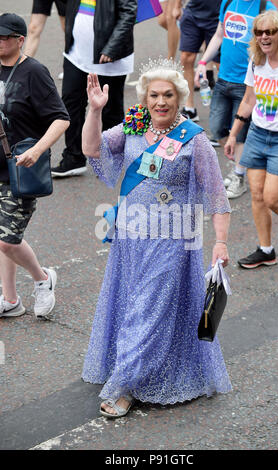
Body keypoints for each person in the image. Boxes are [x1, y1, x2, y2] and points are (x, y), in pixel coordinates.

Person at [81, 57, 232, 418]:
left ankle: (125, 386)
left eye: (168, 95)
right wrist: (95, 111)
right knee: (134, 305)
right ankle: (147, 368)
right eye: (154, 95)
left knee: (149, 308)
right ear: (145, 99)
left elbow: (216, 194)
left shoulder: (193, 140)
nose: (160, 102)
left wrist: (221, 241)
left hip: (173, 240)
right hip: (130, 238)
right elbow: (91, 149)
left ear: (179, 98)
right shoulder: (134, 127)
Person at [0, 13, 70, 318]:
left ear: (20, 40)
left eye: (4, 37)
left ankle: (43, 279)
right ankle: (11, 299)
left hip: (19, 169)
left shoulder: (34, 72)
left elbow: (61, 118)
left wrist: (39, 150)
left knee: (6, 239)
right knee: (3, 238)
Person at [224, 10, 278, 267]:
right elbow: (248, 101)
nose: (264, 37)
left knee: (273, 198)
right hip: (257, 134)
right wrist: (233, 135)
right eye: (259, 32)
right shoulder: (256, 62)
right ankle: (266, 250)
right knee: (257, 195)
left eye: (270, 32)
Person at [195, 0, 276, 200]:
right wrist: (203, 61)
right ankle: (239, 164)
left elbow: (277, 47)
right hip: (223, 77)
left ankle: (239, 176)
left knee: (239, 134)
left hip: (248, 83)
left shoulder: (266, 8)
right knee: (216, 128)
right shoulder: (229, 2)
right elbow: (219, 34)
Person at [51, 0, 137, 178]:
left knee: (110, 110)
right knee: (70, 103)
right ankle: (73, 157)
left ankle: (111, 160)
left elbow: (128, 14)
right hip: (76, 54)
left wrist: (112, 47)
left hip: (108, 56)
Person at [173, 0, 222, 123]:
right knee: (186, 57)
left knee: (220, 64)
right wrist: (177, 6)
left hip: (219, 16)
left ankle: (222, 113)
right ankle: (189, 108)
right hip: (193, 12)